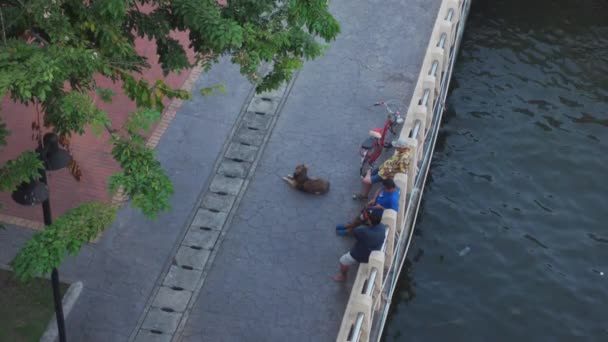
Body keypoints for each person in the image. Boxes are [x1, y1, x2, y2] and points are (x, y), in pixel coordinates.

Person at [332, 212, 386, 282]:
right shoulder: (382, 227)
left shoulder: (363, 231)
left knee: (343, 260)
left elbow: (356, 231)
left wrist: (363, 221)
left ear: (369, 221)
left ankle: (343, 276)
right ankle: (345, 227)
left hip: (362, 255)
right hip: (375, 250)